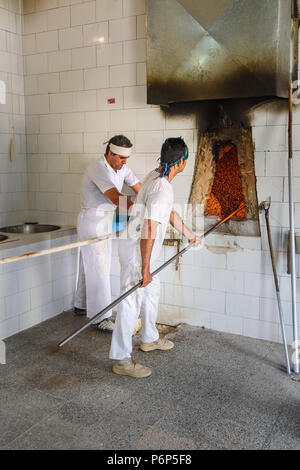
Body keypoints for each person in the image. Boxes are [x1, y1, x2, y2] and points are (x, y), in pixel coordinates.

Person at [109, 137, 201, 377]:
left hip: (137, 248)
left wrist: (189, 234)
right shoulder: (162, 187)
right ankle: (122, 359)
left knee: (152, 290)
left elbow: (167, 211)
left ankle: (149, 338)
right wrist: (145, 269)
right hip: (136, 252)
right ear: (181, 162)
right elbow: (150, 229)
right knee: (131, 301)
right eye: (186, 160)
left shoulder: (156, 175)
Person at [74, 135, 141, 332]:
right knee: (99, 268)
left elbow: (139, 188)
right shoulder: (98, 168)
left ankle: (81, 304)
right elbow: (115, 197)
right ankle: (100, 317)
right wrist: (139, 213)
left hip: (105, 220)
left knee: (88, 265)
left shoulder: (122, 168)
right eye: (121, 158)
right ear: (111, 153)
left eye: (126, 158)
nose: (125, 162)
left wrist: (148, 198)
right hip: (92, 221)